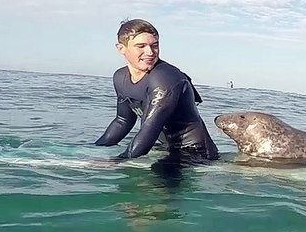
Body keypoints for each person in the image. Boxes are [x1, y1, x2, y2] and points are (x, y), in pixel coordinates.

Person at [94, 19, 220, 164]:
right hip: (163, 147)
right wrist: (93, 150)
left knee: (154, 182)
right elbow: (123, 121)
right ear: (121, 48)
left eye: (154, 46)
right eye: (140, 46)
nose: (149, 52)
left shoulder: (165, 78)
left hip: (195, 153)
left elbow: (150, 127)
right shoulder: (120, 77)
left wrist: (117, 161)